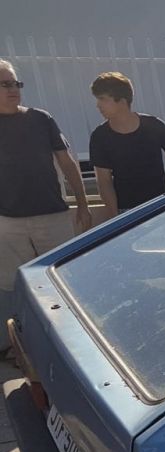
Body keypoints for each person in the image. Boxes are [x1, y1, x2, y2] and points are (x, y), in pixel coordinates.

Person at [0, 58, 91, 352]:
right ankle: (20, 348)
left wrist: (82, 204)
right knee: (12, 287)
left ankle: (75, 343)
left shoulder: (41, 119)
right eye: (5, 84)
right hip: (7, 223)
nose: (13, 89)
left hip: (53, 217)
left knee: (64, 281)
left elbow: (67, 162)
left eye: (15, 83)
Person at [89, 72, 165, 215]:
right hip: (126, 211)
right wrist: (115, 217)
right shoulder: (99, 136)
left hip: (160, 205)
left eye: (102, 99)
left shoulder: (154, 125)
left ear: (122, 101)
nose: (98, 105)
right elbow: (104, 181)